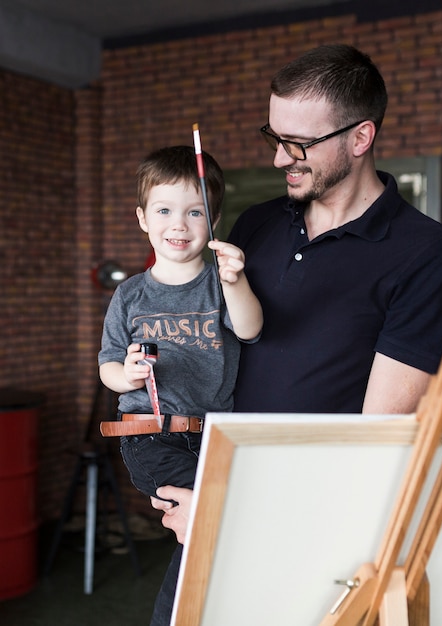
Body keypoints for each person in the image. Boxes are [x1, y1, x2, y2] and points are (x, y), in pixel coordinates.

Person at [150, 44, 442, 623]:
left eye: (298, 144)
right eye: (274, 138)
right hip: (215, 498)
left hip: (313, 532)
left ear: (360, 137)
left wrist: (231, 513)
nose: (279, 159)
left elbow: (381, 442)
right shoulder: (257, 225)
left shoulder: (427, 254)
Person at [98, 145, 262, 625]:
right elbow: (107, 367)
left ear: (213, 220)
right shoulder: (129, 294)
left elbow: (250, 329)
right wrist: (125, 374)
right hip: (150, 435)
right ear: (143, 218)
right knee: (216, 519)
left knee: (209, 534)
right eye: (164, 210)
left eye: (195, 212)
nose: (179, 224)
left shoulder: (220, 282)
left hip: (213, 434)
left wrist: (235, 281)